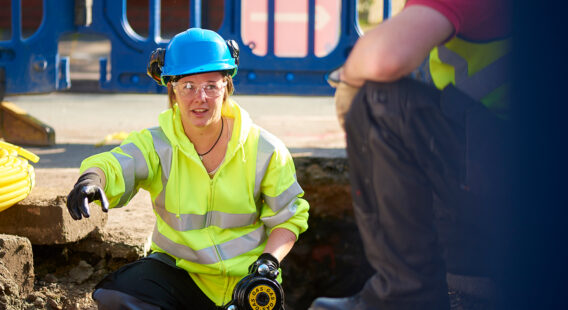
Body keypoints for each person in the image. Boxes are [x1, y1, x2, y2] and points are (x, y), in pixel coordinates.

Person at [65, 28, 309, 310]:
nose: (199, 97)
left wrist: (268, 263)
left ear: (226, 85)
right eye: (188, 86)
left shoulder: (266, 149)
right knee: (116, 295)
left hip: (247, 282)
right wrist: (92, 179)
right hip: (179, 274)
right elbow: (117, 163)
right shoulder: (157, 144)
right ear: (172, 88)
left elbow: (288, 218)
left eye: (210, 85)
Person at [310, 0, 511, 309]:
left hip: (511, 177)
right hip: (518, 177)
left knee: (381, 103)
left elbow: (385, 58)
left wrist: (348, 80)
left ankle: (404, 297)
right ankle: (469, 279)